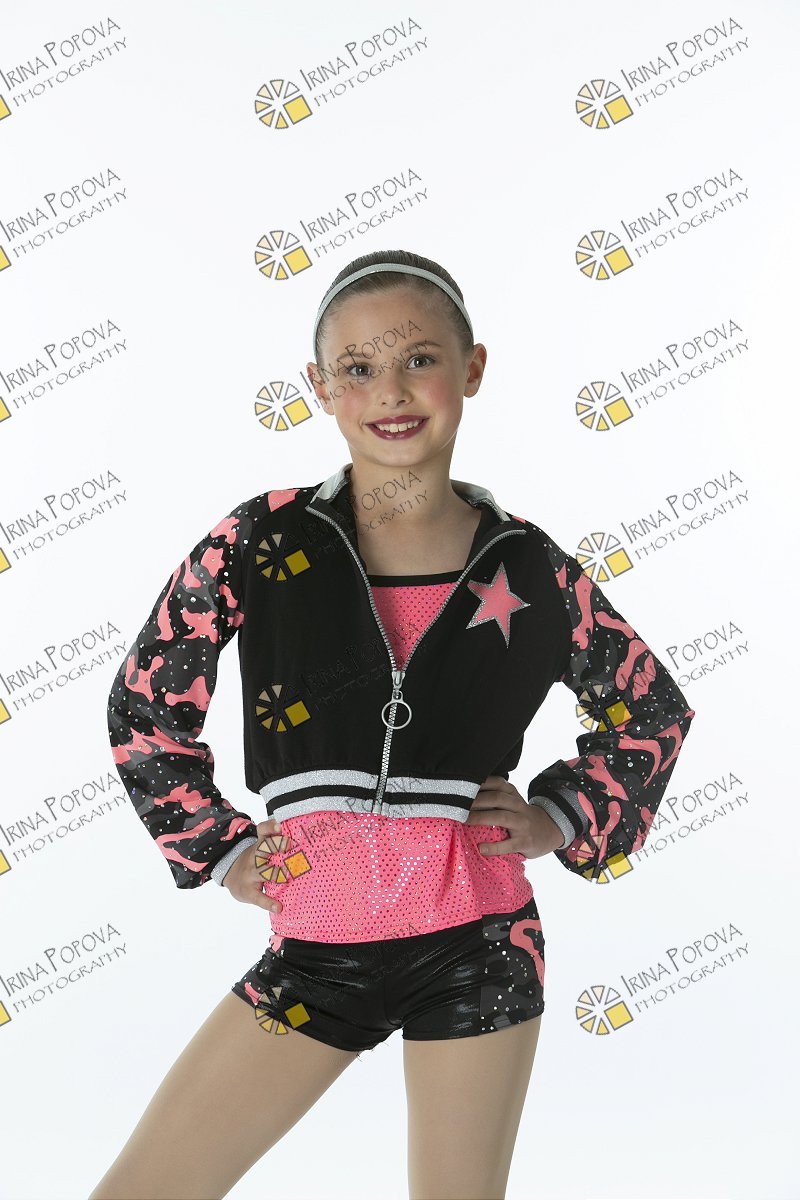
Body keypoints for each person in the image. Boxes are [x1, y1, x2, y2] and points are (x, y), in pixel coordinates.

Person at [90, 248, 696, 1200]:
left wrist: (558, 817)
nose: (391, 390)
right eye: (359, 367)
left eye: (420, 359)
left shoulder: (530, 568)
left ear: (472, 369)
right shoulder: (262, 540)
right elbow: (145, 703)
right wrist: (222, 850)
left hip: (480, 947)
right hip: (316, 951)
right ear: (321, 388)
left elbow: (649, 706)